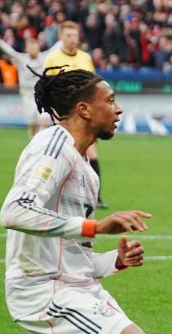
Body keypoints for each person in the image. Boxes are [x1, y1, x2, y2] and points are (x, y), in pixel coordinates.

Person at [0, 68, 172, 334]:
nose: (118, 109)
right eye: (110, 101)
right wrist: (96, 225)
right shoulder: (53, 144)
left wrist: (114, 261)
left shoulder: (85, 171)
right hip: (42, 292)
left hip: (75, 287)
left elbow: (74, 255)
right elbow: (15, 210)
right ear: (84, 109)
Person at [44, 21, 107, 209]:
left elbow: (93, 85)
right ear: (61, 37)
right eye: (69, 35)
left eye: (75, 36)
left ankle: (95, 197)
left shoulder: (85, 57)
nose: (72, 39)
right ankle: (54, 193)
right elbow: (47, 87)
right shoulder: (52, 58)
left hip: (84, 114)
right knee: (62, 154)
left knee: (91, 153)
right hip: (63, 114)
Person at [0, 31, 62, 136]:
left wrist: (63, 39)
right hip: (27, 94)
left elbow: (55, 48)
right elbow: (9, 51)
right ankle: (33, 137)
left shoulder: (44, 57)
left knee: (43, 119)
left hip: (41, 95)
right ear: (26, 49)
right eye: (31, 47)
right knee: (31, 121)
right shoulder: (21, 59)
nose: (33, 49)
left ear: (38, 47)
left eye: (35, 46)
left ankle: (39, 139)